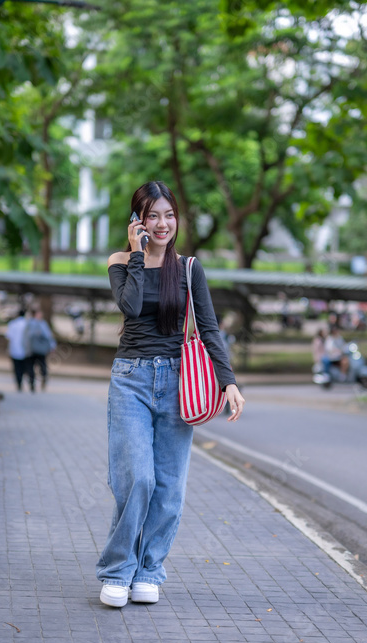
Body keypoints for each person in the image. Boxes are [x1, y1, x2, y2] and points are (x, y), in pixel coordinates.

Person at [98, 181, 245, 609]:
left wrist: (229, 381)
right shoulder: (120, 262)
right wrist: (138, 253)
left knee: (168, 486)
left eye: (169, 215)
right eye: (153, 216)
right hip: (130, 379)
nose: (163, 224)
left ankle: (148, 571)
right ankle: (117, 570)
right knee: (136, 478)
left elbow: (210, 328)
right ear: (137, 220)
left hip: (179, 381)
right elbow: (129, 307)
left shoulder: (189, 268)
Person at [22, 308, 56, 392]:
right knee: (36, 366)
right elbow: (48, 336)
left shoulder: (33, 323)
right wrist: (52, 346)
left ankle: (34, 382)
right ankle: (34, 382)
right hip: (36, 349)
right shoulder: (37, 324)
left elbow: (25, 337)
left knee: (36, 366)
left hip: (35, 349)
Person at [6, 309, 29, 391]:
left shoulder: (13, 324)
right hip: (25, 350)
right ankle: (23, 381)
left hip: (14, 349)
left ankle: (19, 382)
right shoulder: (27, 324)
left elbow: (9, 337)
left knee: (17, 368)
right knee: (24, 367)